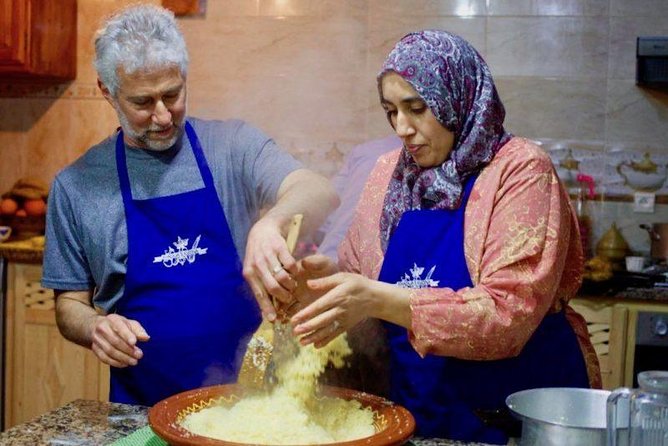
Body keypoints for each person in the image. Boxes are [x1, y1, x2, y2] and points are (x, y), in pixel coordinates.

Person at [278, 30, 601, 444]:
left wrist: (375, 297)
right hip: (418, 412)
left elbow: (508, 316)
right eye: (390, 111)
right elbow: (363, 285)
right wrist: (326, 283)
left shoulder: (520, 170)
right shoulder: (386, 176)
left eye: (416, 108)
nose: (402, 128)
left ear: (458, 96)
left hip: (512, 415)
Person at [41, 4, 338, 407]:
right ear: (107, 92)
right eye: (143, 103)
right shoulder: (76, 186)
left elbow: (318, 189)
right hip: (142, 411)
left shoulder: (232, 147)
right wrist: (95, 327)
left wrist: (271, 223)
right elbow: (69, 305)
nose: (163, 116)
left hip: (255, 407)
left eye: (172, 94)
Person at [316, 135, 400, 261]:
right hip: (375, 274)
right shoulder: (429, 160)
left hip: (327, 261)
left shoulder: (365, 151)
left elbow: (324, 216)